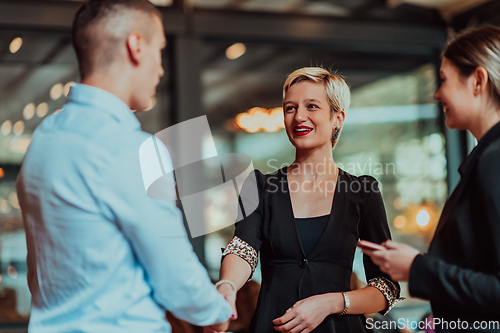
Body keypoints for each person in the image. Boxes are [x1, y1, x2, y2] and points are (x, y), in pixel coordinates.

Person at [16, 1, 232, 332]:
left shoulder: (44, 140)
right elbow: (174, 271)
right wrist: (215, 311)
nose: (161, 69)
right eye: (159, 50)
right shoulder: (133, 148)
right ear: (136, 46)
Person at [210, 67, 404, 333]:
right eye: (290, 108)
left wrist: (331, 302)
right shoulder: (260, 186)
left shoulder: (363, 192)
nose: (299, 116)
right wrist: (228, 285)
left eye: (312, 106)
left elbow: (387, 288)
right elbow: (243, 247)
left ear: (337, 118)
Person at [362, 25, 500, 332]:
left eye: (444, 79)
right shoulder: (484, 159)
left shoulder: (494, 161)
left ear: (478, 80)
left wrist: (416, 267)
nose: (438, 93)